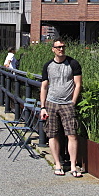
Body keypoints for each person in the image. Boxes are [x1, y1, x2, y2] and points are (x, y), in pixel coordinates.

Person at [39, 39, 83, 177]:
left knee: (72, 134)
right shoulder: (48, 66)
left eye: (63, 47)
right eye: (58, 47)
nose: (61, 49)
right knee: (52, 134)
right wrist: (42, 106)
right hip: (51, 103)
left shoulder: (73, 63)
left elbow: (78, 84)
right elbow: (44, 86)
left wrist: (73, 102)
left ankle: (73, 165)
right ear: (53, 49)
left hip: (67, 103)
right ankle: (57, 164)